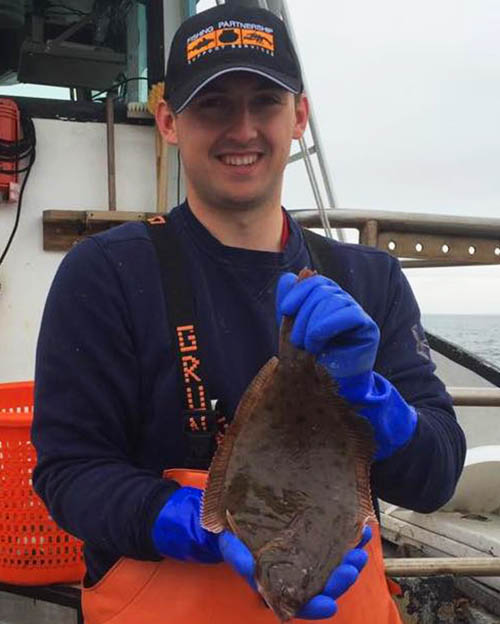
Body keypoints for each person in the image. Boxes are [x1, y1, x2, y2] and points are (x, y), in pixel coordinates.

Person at [32, 4, 466, 623]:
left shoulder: (371, 280)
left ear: (299, 117)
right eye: (213, 105)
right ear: (169, 121)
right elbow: (70, 473)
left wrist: (374, 400)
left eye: (265, 102)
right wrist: (191, 523)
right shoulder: (106, 273)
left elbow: (436, 476)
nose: (242, 130)